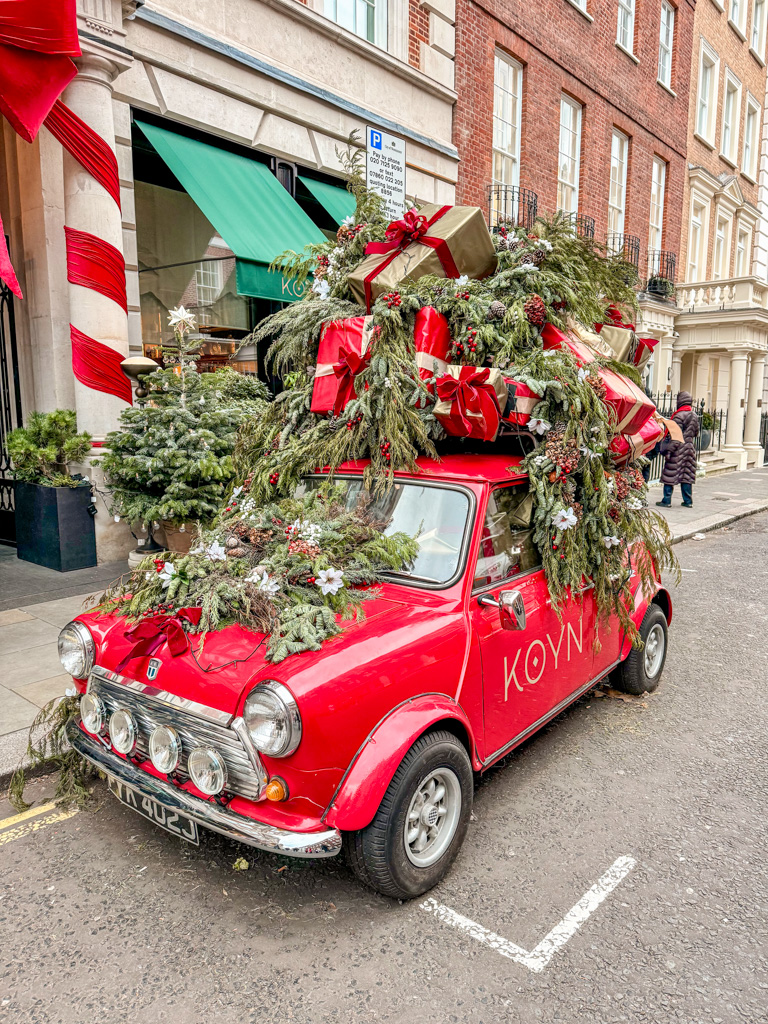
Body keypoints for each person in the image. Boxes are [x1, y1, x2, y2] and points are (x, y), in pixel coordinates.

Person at [656, 391, 700, 508]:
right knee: (687, 475)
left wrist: (669, 451)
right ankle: (688, 501)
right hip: (689, 448)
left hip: (678, 449)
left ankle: (666, 500)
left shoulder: (678, 416)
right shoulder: (694, 415)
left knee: (669, 475)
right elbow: (696, 432)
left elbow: (675, 436)